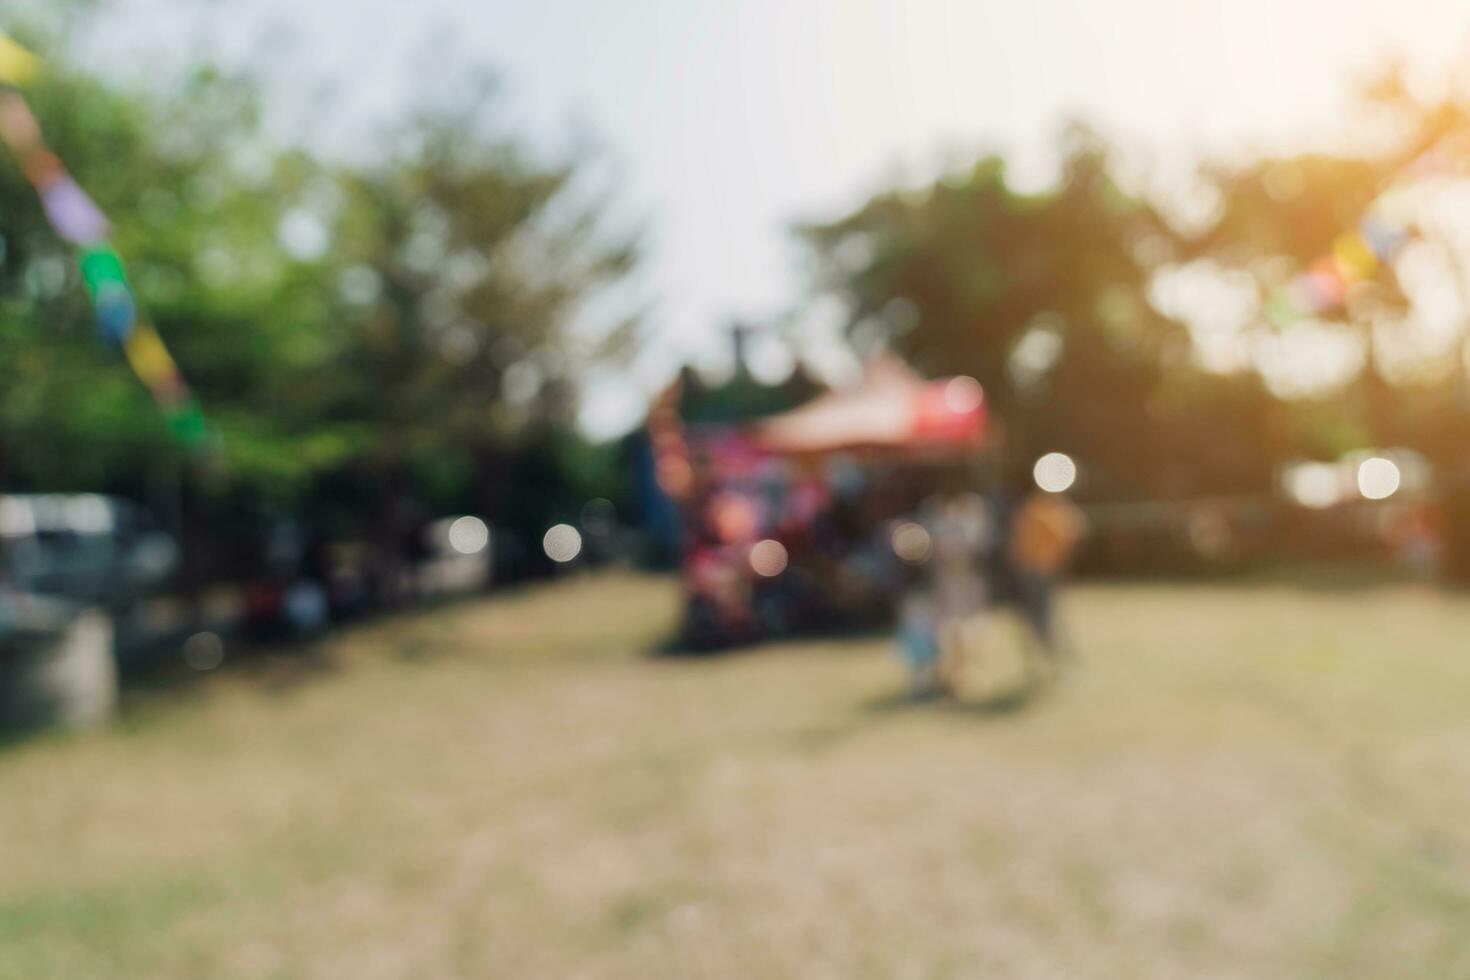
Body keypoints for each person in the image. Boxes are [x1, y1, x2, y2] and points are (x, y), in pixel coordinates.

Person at [1008, 480, 1086, 659]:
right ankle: (1049, 653)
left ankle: (1054, 653)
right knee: (1039, 614)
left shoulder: (1053, 510)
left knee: (1045, 614)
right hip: (1034, 570)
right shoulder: (1037, 510)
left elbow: (1071, 532)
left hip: (1043, 570)